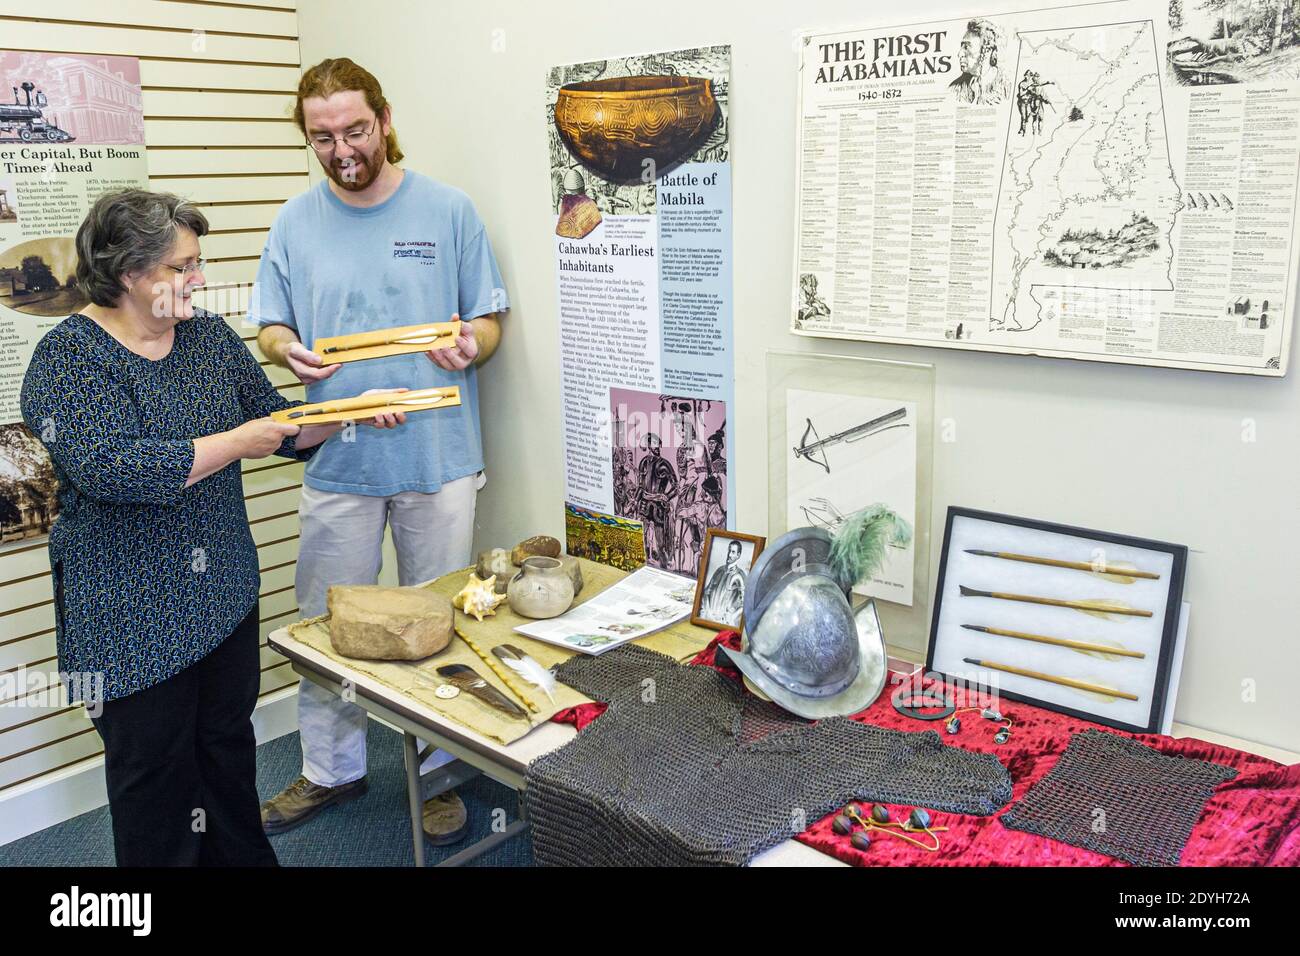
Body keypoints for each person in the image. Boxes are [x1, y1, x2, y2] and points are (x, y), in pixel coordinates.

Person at [18, 188, 401, 866]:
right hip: (129, 617)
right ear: (129, 273)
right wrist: (236, 442)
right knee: (155, 786)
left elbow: (279, 427)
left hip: (221, 595)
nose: (199, 278)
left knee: (227, 756)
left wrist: (347, 411)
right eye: (182, 266)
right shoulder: (68, 359)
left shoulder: (208, 338)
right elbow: (115, 469)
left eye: (197, 262)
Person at [252, 58, 509, 845]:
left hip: (438, 455)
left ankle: (439, 774)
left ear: (385, 120)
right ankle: (333, 768)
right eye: (322, 137)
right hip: (340, 458)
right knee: (326, 620)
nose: (342, 150)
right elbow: (272, 328)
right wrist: (286, 350)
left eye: (355, 130)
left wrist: (472, 345)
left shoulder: (449, 209)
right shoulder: (295, 222)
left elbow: (489, 322)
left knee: (439, 620)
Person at [949, 18, 1008, 106]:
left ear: (987, 50)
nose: (960, 54)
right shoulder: (955, 89)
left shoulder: (1006, 84)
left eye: (966, 47)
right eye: (962, 47)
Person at [700, 539, 747, 628]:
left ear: (738, 555)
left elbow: (744, 604)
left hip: (724, 623)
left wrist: (731, 616)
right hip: (708, 618)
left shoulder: (739, 575)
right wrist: (706, 612)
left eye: (733, 552)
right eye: (729, 550)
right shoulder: (719, 570)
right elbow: (706, 592)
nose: (729, 554)